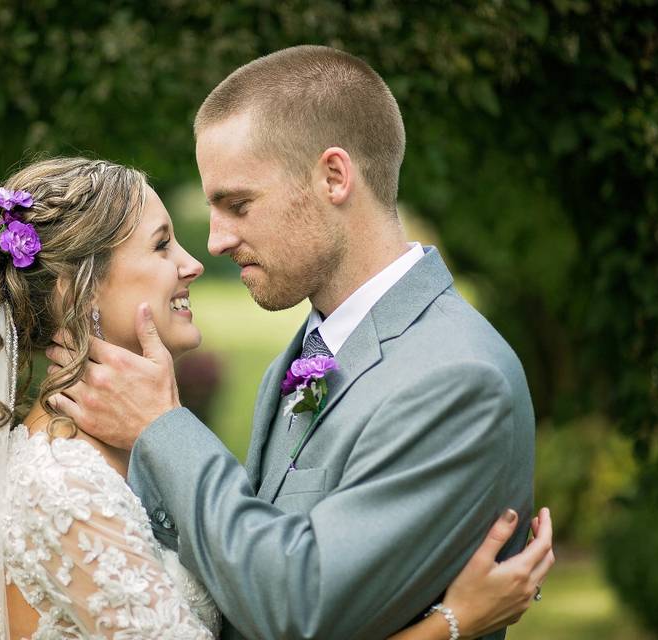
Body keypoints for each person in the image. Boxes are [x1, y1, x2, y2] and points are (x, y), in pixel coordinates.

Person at [0, 157, 552, 640]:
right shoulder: (61, 488)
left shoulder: (122, 452)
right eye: (160, 244)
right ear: (79, 296)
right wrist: (452, 622)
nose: (194, 261)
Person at [45, 46, 546, 639]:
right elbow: (241, 556)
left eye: (237, 204)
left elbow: (300, 606)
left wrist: (163, 428)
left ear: (333, 177)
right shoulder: (311, 349)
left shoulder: (458, 378)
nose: (217, 241)